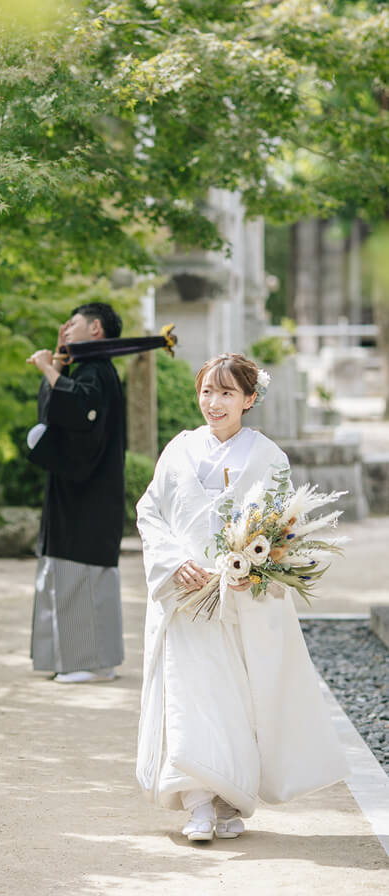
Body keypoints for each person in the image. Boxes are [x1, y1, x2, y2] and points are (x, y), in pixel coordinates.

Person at [135, 353, 347, 840]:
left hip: (238, 601)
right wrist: (173, 562)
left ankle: (228, 798)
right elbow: (151, 512)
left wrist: (250, 568)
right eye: (207, 391)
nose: (214, 402)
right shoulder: (179, 450)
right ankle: (198, 805)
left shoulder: (268, 457)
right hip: (185, 598)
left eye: (227, 393)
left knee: (236, 700)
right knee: (189, 696)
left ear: (250, 399)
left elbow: (280, 528)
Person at [26, 302, 125, 683]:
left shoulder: (97, 370)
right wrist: (60, 365)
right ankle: (95, 661)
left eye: (74, 323)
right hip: (78, 489)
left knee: (81, 572)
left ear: (96, 328)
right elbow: (52, 414)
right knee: (76, 571)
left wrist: (50, 368)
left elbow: (79, 409)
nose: (65, 329)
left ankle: (85, 662)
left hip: (89, 491)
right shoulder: (88, 369)